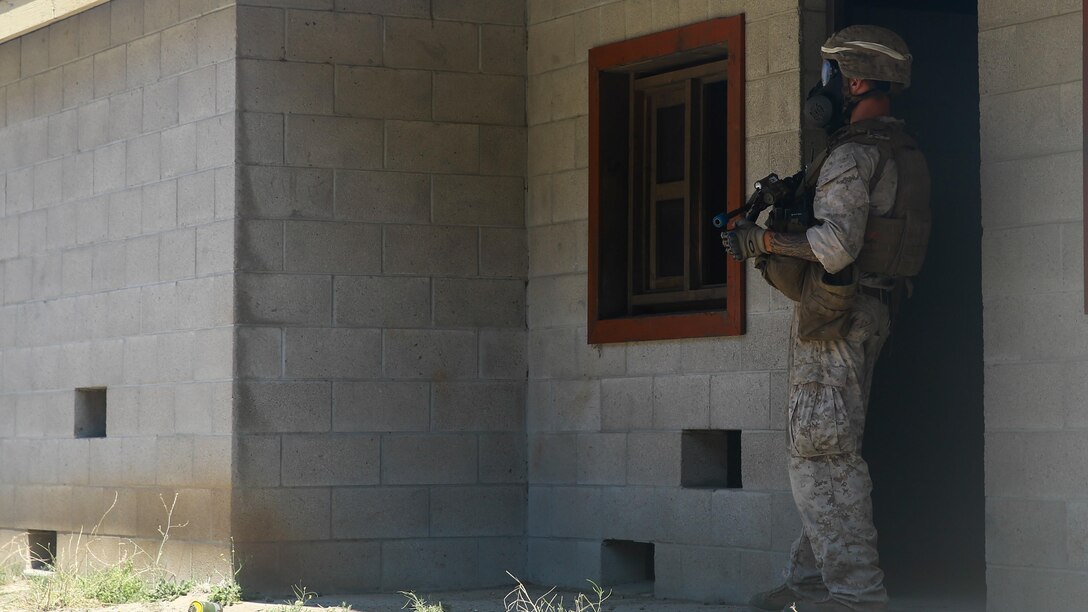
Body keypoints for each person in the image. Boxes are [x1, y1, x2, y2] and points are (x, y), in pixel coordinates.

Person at [722, 25, 930, 612]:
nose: (828, 88)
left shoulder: (852, 154)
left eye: (834, 76)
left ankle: (855, 595)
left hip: (837, 316)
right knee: (830, 451)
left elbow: (836, 246)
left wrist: (761, 240)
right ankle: (811, 585)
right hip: (867, 311)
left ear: (858, 80)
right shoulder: (898, 146)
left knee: (822, 457)